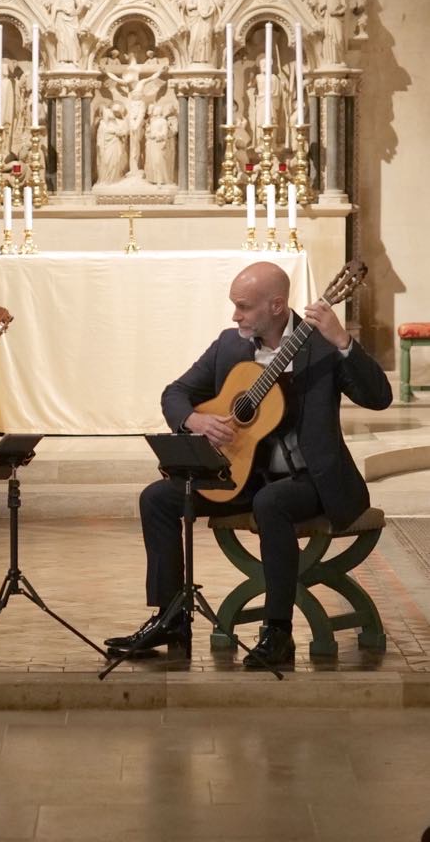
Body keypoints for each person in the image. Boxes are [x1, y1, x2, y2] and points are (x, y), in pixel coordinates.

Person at [104, 262, 392, 667]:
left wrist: (343, 340)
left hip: (311, 480)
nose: (235, 315)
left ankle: (278, 632)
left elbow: (379, 396)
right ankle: (171, 618)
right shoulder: (229, 346)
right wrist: (195, 419)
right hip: (244, 476)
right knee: (158, 498)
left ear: (276, 306)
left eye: (243, 307)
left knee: (272, 503)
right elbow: (176, 393)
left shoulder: (322, 345)